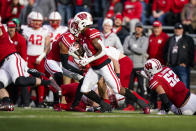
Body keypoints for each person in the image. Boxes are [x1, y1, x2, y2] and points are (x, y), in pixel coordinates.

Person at [71, 12, 150, 113]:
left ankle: (143, 104)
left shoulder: (91, 33)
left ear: (83, 23)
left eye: (77, 23)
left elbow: (103, 51)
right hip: (95, 67)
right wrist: (74, 52)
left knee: (118, 89)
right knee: (84, 89)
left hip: (104, 64)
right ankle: (105, 105)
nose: (75, 26)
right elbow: (83, 52)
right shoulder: (82, 36)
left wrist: (89, 60)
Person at [0, 23, 51, 111]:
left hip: (12, 58)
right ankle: (6, 103)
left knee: (20, 81)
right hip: (3, 64)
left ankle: (48, 82)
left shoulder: (3, 34)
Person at [22, 12, 51, 106]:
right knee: (27, 79)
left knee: (40, 79)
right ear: (30, 20)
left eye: (38, 21)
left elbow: (47, 46)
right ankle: (26, 100)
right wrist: (25, 58)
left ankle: (40, 101)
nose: (37, 23)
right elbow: (22, 45)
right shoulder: (26, 30)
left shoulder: (45, 30)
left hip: (39, 57)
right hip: (28, 57)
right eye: (34, 20)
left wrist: (41, 56)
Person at [163, 23, 195, 89]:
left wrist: (187, 63)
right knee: (171, 87)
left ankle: (186, 99)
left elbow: (192, 53)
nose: (177, 30)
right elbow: (165, 51)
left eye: (179, 29)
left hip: (182, 67)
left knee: (184, 87)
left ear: (182, 30)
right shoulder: (170, 39)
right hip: (171, 67)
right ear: (174, 30)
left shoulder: (188, 39)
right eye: (176, 28)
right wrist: (166, 62)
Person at [123, 22, 149, 98]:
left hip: (140, 66)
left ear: (142, 29)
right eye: (137, 27)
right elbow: (124, 50)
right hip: (130, 65)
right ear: (135, 28)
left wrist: (131, 48)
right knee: (129, 86)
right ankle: (130, 104)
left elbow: (142, 51)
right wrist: (136, 50)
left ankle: (145, 104)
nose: (138, 29)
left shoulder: (145, 39)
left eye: (140, 27)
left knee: (142, 86)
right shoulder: (128, 37)